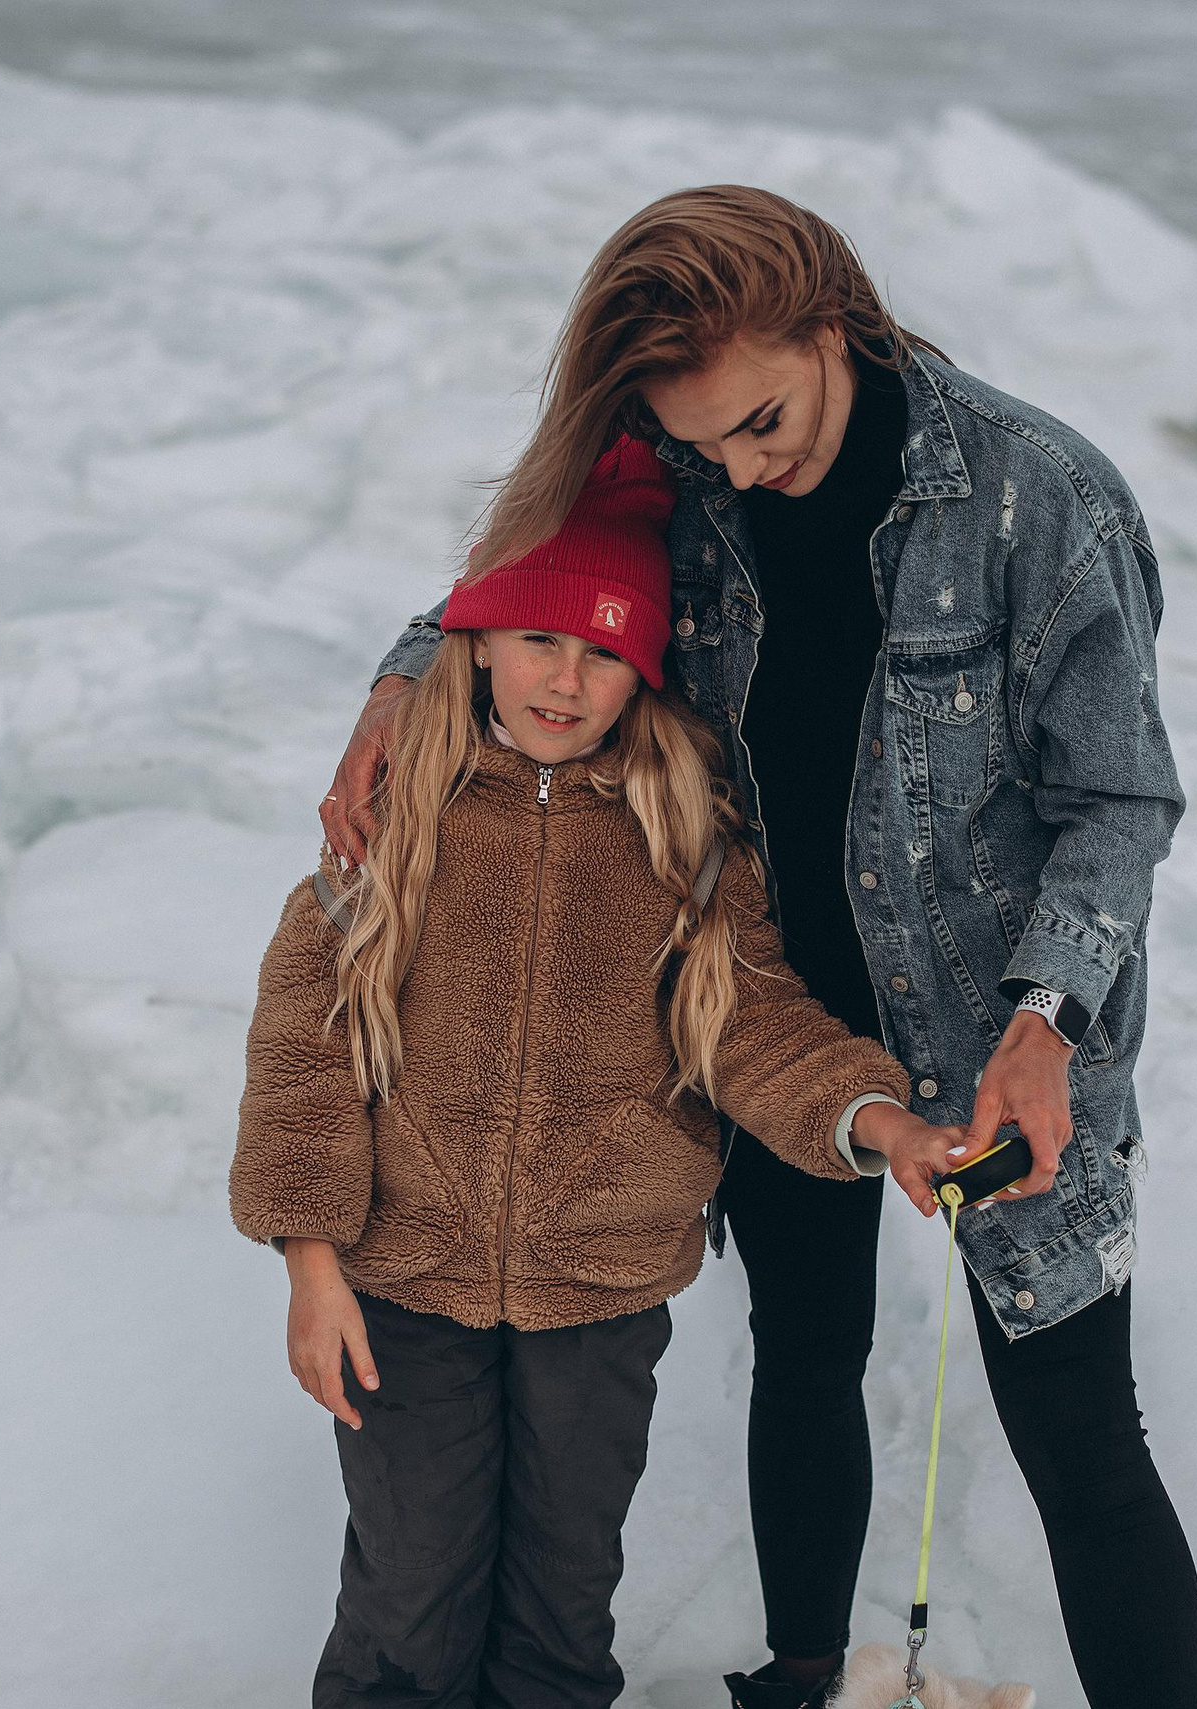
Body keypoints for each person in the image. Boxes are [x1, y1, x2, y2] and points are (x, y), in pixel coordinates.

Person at [324, 187, 1197, 1708]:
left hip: (1009, 1027)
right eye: (701, 444)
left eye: (761, 424)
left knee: (1076, 1427)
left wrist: (1045, 1021)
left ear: (833, 321)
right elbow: (527, 574)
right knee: (803, 1351)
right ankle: (800, 1683)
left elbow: (1120, 800)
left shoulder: (1042, 493)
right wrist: (405, 675)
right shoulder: (676, 465)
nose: (738, 470)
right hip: (769, 1013)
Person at [233, 437, 959, 1708]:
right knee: (412, 1594)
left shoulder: (685, 840)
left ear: (649, 670)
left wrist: (878, 1118)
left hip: (602, 1286)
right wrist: (311, 1261)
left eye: (607, 652)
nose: (567, 680)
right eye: (538, 640)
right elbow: (306, 1053)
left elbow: (755, 1025)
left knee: (561, 1603)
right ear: (473, 641)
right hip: (405, 1279)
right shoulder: (392, 823)